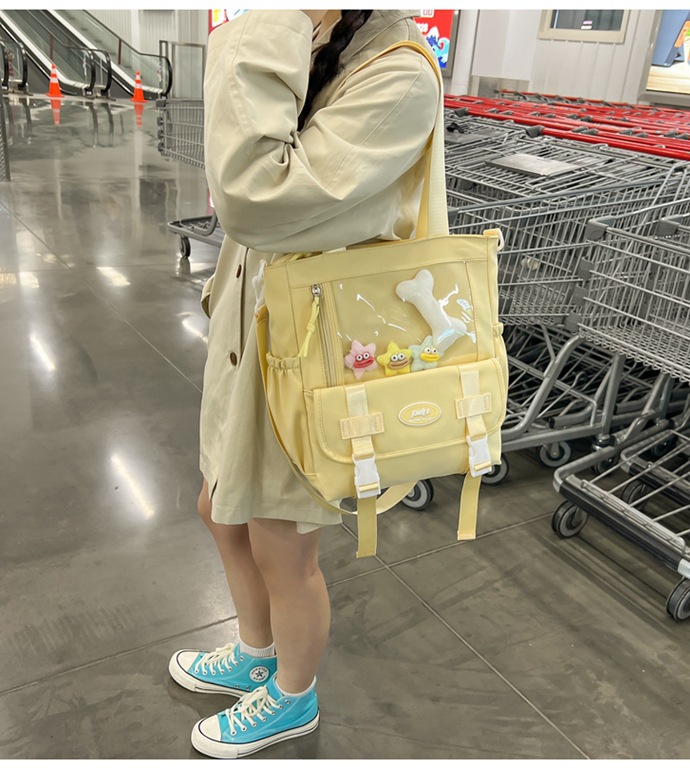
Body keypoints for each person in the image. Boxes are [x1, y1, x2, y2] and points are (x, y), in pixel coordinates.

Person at [168, 9, 441, 759]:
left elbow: (253, 194)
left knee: (282, 543)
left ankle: (293, 695)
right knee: (222, 508)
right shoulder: (327, 41)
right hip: (253, 335)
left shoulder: (399, 74)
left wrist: (277, 19)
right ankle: (257, 652)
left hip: (310, 354)